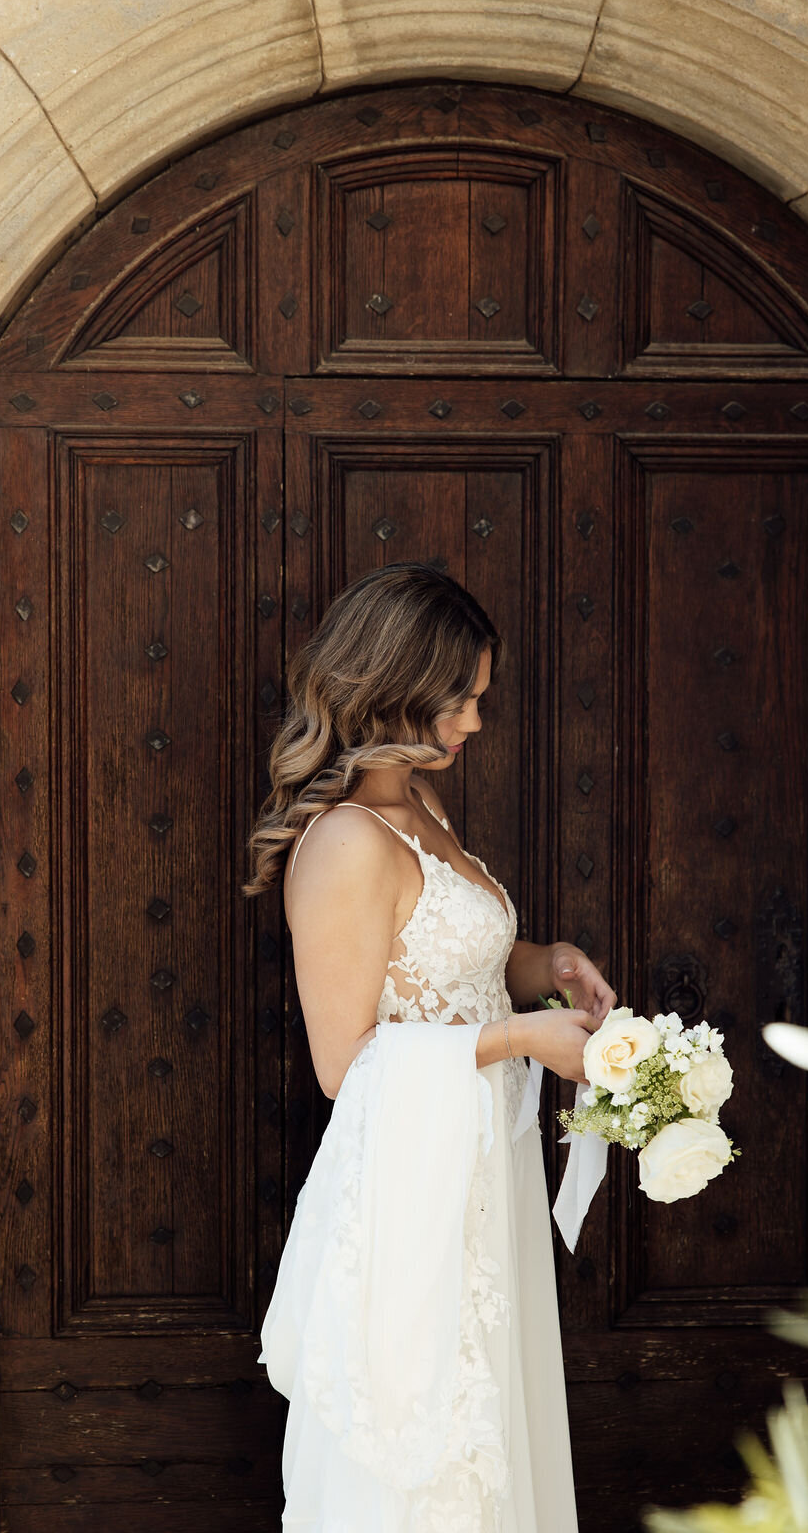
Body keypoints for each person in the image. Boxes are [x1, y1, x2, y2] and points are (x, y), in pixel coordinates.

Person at [244, 561, 617, 1531]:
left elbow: (453, 969)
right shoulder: (347, 843)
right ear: (398, 690)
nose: (474, 724)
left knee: (490, 1427)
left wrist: (549, 966)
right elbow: (347, 1062)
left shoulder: (422, 811)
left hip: (476, 1180)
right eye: (461, 700)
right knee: (425, 1448)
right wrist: (519, 1039)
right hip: (411, 1199)